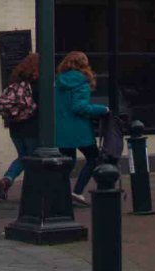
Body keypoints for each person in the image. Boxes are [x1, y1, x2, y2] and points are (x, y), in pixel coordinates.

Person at [54, 51, 108, 205]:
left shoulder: (58, 82)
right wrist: (102, 110)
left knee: (67, 163)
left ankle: (61, 195)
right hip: (80, 129)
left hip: (61, 129)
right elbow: (80, 107)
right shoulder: (82, 82)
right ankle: (77, 191)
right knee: (93, 158)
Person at [0, 52, 40, 200]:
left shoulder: (14, 81)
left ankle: (8, 178)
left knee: (23, 156)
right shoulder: (37, 83)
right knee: (32, 159)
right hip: (31, 126)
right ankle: (32, 190)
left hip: (15, 126)